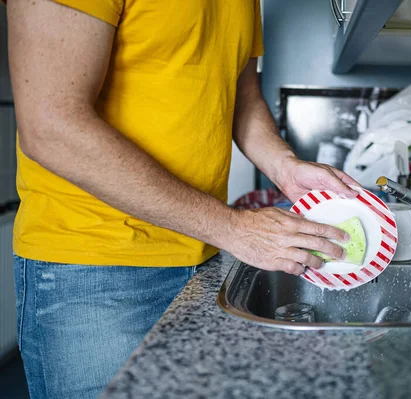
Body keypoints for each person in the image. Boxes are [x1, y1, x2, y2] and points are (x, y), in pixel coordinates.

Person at [6, 1, 360, 398]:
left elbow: (242, 99)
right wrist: (231, 227)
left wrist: (284, 166)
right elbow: (51, 126)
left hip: (200, 257)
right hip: (93, 267)